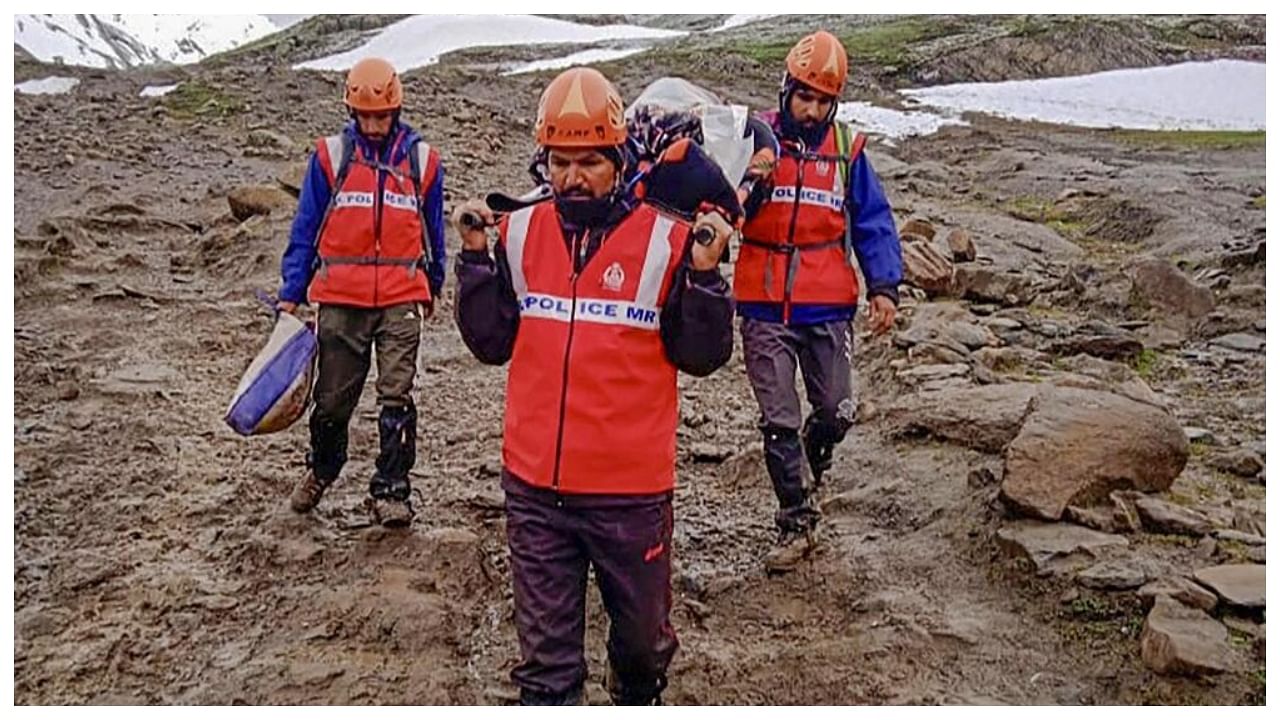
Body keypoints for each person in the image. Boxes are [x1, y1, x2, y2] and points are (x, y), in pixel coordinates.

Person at [452, 67, 734, 705]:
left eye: (589, 163)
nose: (572, 178)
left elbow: (702, 356)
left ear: (619, 158)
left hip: (630, 497)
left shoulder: (667, 242)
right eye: (559, 162)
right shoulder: (517, 233)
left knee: (641, 654)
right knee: (546, 674)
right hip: (534, 491)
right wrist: (473, 262)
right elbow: (491, 343)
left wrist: (708, 280)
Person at [734, 31, 904, 572]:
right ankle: (797, 519)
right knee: (778, 417)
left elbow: (874, 222)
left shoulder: (848, 149)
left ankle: (812, 460)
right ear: (786, 89)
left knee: (835, 411)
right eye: (802, 96)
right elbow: (719, 204)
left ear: (835, 103)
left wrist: (883, 287)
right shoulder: (753, 138)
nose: (810, 110)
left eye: (821, 101)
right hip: (763, 304)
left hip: (828, 304)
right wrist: (747, 182)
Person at [276, 57, 445, 527]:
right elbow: (306, 227)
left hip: (400, 297)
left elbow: (434, 229)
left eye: (382, 116)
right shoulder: (330, 157)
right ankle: (323, 466)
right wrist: (292, 289)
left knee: (397, 394)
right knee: (332, 400)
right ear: (351, 112)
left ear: (397, 110)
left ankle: (392, 489)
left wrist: (432, 284)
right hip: (340, 299)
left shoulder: (423, 162)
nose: (373, 125)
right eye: (365, 116)